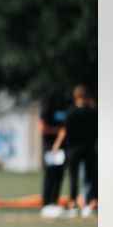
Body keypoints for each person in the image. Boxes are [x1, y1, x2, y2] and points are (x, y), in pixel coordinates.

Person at [52, 85, 97, 217]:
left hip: (74, 149)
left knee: (75, 177)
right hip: (88, 148)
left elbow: (64, 131)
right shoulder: (91, 111)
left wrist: (57, 144)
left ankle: (73, 203)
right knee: (90, 176)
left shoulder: (71, 112)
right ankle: (92, 202)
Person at [38, 86, 69, 215]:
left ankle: (54, 201)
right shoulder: (47, 108)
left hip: (62, 146)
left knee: (59, 174)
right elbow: (43, 128)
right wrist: (59, 131)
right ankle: (46, 202)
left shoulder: (65, 108)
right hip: (49, 146)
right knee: (50, 174)